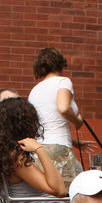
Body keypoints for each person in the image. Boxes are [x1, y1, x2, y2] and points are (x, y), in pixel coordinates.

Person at [28, 47, 84, 185]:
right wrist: (77, 122)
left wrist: (75, 142)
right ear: (60, 63)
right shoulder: (63, 82)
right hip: (59, 149)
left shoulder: (34, 90)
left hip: (39, 149)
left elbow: (46, 122)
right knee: (75, 191)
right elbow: (63, 108)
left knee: (47, 195)